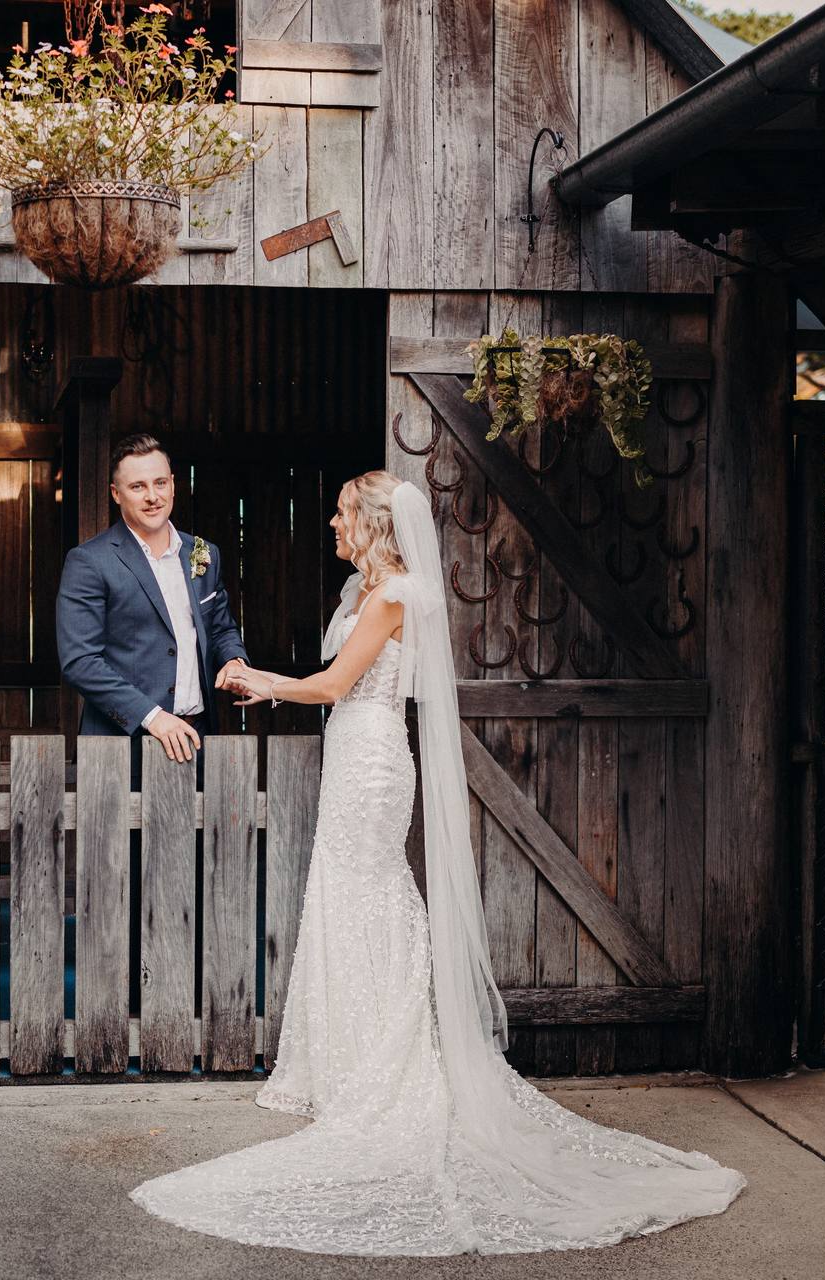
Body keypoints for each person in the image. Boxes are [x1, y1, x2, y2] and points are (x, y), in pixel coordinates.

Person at [131, 470, 746, 1255]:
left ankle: (385, 1069)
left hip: (373, 759)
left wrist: (261, 681)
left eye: (343, 514)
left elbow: (336, 683)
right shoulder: (366, 589)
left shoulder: (395, 596)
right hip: (354, 755)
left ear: (376, 525)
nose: (331, 522)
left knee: (370, 895)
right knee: (348, 895)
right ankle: (345, 1062)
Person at [55, 434, 248, 762]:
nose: (152, 497)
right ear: (116, 494)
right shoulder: (89, 561)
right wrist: (152, 715)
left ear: (173, 484)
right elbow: (80, 661)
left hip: (197, 738)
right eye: (138, 487)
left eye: (160, 483)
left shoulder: (203, 554)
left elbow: (220, 628)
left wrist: (234, 660)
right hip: (121, 747)